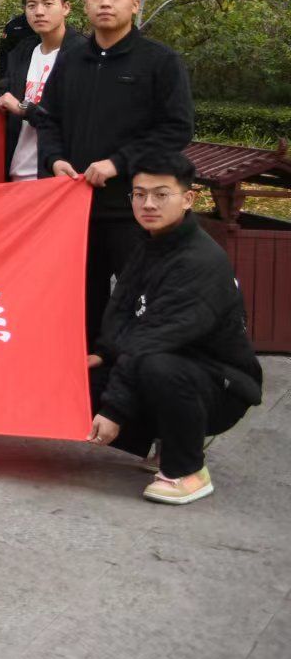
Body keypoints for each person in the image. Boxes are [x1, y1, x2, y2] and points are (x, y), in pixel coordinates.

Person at [88, 153, 262, 505]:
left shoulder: (199, 261)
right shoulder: (149, 242)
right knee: (86, 375)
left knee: (157, 366)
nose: (148, 204)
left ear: (188, 199)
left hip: (218, 385)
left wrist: (115, 410)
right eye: (139, 194)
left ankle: (187, 469)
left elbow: (154, 339)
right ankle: (163, 438)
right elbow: (121, 311)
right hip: (167, 361)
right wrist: (102, 354)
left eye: (161, 194)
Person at [35, 0, 195, 341]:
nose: (105, 2)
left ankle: (135, 375)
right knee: (80, 306)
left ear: (134, 4)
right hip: (75, 209)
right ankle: (88, 374)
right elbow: (47, 118)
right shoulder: (71, 60)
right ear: (85, 4)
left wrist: (118, 163)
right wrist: (55, 159)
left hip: (133, 211)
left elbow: (176, 128)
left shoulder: (160, 61)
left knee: (139, 305)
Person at [0, 0, 72, 181]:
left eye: (48, 4)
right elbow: (5, 95)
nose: (39, 12)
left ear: (65, 8)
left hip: (57, 176)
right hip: (17, 174)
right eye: (31, 6)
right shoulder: (23, 52)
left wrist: (22, 108)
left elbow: (75, 118)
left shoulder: (81, 55)